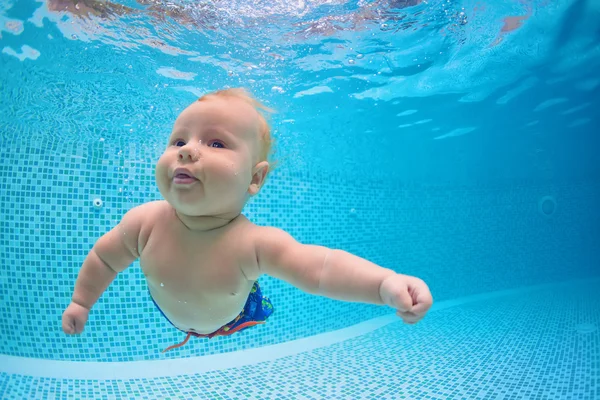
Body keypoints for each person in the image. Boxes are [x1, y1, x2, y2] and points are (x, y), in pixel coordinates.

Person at [61, 88, 433, 353]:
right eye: (177, 141)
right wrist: (81, 302)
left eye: (216, 144)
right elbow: (104, 259)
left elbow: (321, 269)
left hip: (234, 317)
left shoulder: (254, 245)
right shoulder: (143, 223)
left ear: (255, 179)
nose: (188, 150)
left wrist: (385, 283)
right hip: (170, 310)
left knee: (254, 301)